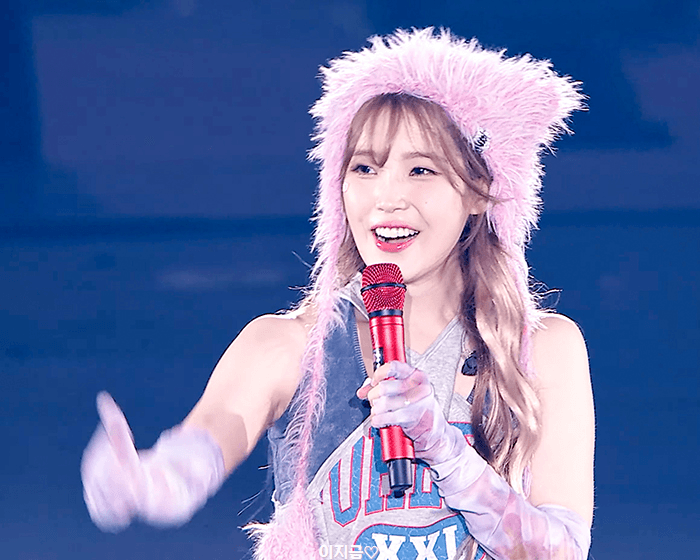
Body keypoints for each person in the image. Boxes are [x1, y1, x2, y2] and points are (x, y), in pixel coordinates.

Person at [81, 28, 595, 560]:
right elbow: (209, 436)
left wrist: (447, 452)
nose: (387, 198)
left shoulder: (542, 349)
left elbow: (561, 551)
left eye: (421, 170)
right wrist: (151, 482)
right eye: (365, 168)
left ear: (477, 191)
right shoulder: (286, 345)